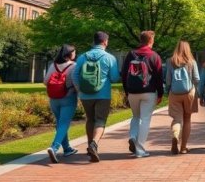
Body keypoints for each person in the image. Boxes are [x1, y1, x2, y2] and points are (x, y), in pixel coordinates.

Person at [72, 31, 120, 163]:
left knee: (90, 119)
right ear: (105, 42)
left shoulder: (82, 57)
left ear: (94, 41)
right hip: (103, 94)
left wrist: (79, 89)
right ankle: (94, 143)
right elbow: (115, 78)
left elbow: (74, 75)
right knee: (100, 120)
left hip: (85, 95)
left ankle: (89, 145)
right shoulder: (110, 58)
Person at [121, 31, 163, 158]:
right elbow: (159, 77)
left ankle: (133, 136)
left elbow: (123, 74)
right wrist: (160, 93)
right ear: (151, 40)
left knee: (135, 116)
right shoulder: (154, 56)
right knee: (145, 119)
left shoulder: (131, 54)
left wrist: (126, 90)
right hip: (148, 92)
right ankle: (140, 150)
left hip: (132, 92)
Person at [44, 44, 78, 163]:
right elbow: (76, 82)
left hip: (54, 98)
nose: (75, 54)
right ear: (70, 54)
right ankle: (54, 147)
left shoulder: (53, 65)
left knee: (60, 124)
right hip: (68, 97)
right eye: (74, 52)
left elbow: (45, 81)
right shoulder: (74, 66)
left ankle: (67, 149)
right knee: (64, 124)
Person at [164, 40, 200, 155]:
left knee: (177, 119)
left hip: (175, 93)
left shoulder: (170, 61)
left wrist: (167, 91)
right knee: (187, 119)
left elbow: (168, 80)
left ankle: (175, 135)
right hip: (189, 93)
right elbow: (197, 79)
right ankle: (183, 147)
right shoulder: (192, 62)